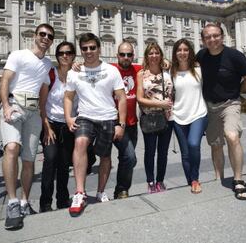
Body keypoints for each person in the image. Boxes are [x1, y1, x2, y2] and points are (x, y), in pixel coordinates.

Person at [64, 33, 127, 217]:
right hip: (85, 116)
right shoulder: (74, 72)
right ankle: (80, 192)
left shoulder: (111, 70)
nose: (89, 51)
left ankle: (100, 191)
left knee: (105, 156)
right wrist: (69, 117)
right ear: (81, 51)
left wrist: (120, 124)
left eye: (92, 47)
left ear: (99, 48)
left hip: (107, 117)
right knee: (80, 143)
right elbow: (68, 97)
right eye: (85, 48)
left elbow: (121, 98)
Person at [0, 23, 54, 230]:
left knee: (29, 160)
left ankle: (24, 202)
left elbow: (43, 92)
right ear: (35, 36)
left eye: (49, 36)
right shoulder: (18, 54)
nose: (45, 38)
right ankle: (12, 202)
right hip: (14, 106)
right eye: (42, 34)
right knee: (12, 148)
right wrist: (5, 106)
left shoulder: (48, 64)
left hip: (33, 114)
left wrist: (44, 119)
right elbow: (5, 80)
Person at [196, 23, 246, 200]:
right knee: (215, 144)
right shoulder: (201, 55)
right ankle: (219, 177)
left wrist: (239, 92)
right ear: (203, 40)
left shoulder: (235, 56)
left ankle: (238, 179)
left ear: (222, 37)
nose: (212, 39)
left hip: (231, 103)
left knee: (232, 136)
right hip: (210, 106)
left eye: (215, 35)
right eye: (208, 37)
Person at [38, 41, 77, 213]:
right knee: (50, 159)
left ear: (73, 55)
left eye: (68, 52)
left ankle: (62, 199)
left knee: (64, 164)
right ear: (57, 56)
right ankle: (45, 202)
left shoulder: (78, 75)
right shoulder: (51, 74)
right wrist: (46, 126)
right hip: (51, 124)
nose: (65, 56)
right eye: (61, 53)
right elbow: (42, 102)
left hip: (69, 125)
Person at [170, 39, 208, 194]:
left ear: (190, 52)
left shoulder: (199, 69)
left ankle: (195, 179)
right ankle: (190, 180)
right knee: (185, 153)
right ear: (175, 53)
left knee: (193, 144)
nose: (182, 53)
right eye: (179, 50)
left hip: (199, 113)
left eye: (186, 49)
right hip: (178, 115)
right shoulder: (171, 72)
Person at [137, 42, 173, 194]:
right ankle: (150, 181)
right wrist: (160, 103)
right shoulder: (141, 74)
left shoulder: (167, 70)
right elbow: (140, 98)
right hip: (149, 117)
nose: (154, 56)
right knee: (150, 151)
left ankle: (160, 181)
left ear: (161, 55)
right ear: (146, 55)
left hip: (167, 117)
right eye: (151, 53)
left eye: (156, 53)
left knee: (163, 152)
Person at [111, 41, 141, 199]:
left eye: (129, 54)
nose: (126, 57)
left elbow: (154, 65)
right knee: (130, 157)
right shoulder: (110, 69)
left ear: (133, 56)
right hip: (115, 123)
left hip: (132, 123)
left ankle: (119, 190)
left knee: (126, 158)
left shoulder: (138, 70)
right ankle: (123, 189)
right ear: (117, 56)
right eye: (122, 54)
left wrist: (166, 62)